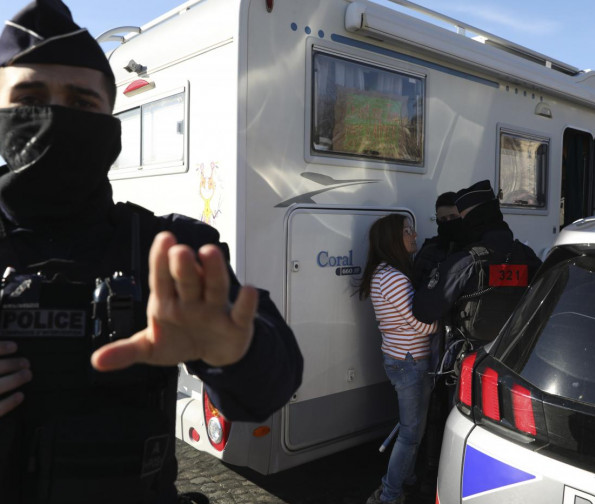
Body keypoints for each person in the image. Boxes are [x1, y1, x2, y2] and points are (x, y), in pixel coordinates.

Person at [0, 1, 303, 502]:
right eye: (30, 98)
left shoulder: (169, 251)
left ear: (111, 125)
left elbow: (270, 390)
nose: (56, 118)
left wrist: (237, 351)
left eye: (81, 104)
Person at [357, 214, 438, 504]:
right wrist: (445, 321)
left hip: (400, 359)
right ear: (393, 240)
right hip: (410, 363)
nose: (414, 234)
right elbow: (422, 325)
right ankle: (388, 496)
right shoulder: (394, 278)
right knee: (409, 435)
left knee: (411, 429)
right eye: (407, 231)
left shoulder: (384, 273)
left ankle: (407, 479)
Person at [413, 180, 542, 340]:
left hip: (471, 356)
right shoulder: (527, 255)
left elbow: (424, 310)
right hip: (511, 352)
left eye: (463, 219)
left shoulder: (465, 262)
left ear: (476, 219)